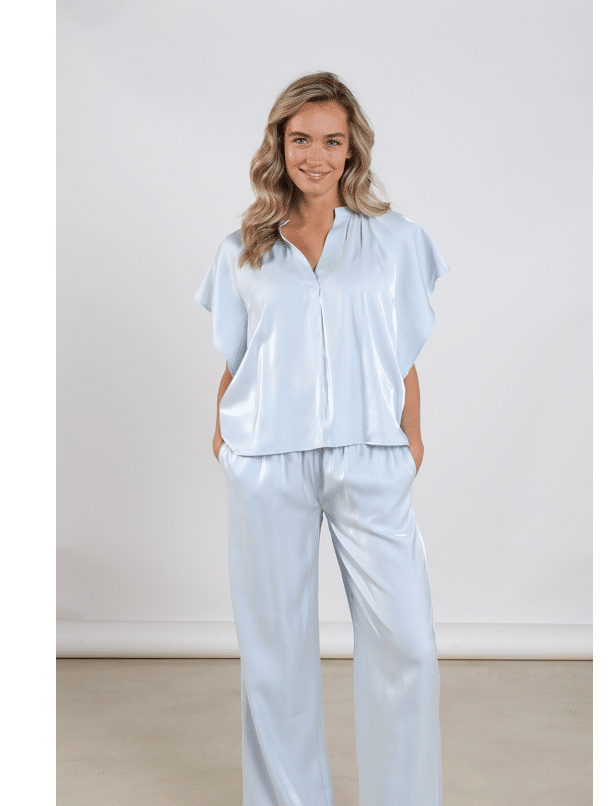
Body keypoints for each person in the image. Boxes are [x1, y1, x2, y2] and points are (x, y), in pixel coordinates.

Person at [195, 72, 450, 806]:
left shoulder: (396, 240)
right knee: (275, 656)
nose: (315, 155)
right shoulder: (243, 249)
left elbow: (403, 353)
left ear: (351, 150)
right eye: (300, 138)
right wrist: (226, 442)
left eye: (331, 141)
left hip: (369, 455)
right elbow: (238, 357)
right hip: (266, 460)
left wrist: (409, 442)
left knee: (407, 643)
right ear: (279, 145)